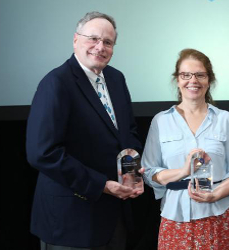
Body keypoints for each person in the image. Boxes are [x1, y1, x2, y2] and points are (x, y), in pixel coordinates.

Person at [26, 11, 144, 250]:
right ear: (76, 40)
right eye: (93, 39)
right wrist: (102, 185)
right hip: (71, 221)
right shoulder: (56, 83)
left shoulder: (116, 78)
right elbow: (43, 153)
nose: (100, 47)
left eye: (108, 42)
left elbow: (128, 132)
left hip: (113, 217)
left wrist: (131, 173)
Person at [142, 48, 229, 249]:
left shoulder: (225, 119)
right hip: (175, 216)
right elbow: (149, 172)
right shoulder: (160, 121)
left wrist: (215, 194)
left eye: (200, 75)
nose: (193, 80)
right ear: (177, 79)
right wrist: (183, 171)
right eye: (186, 75)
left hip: (218, 214)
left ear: (209, 80)